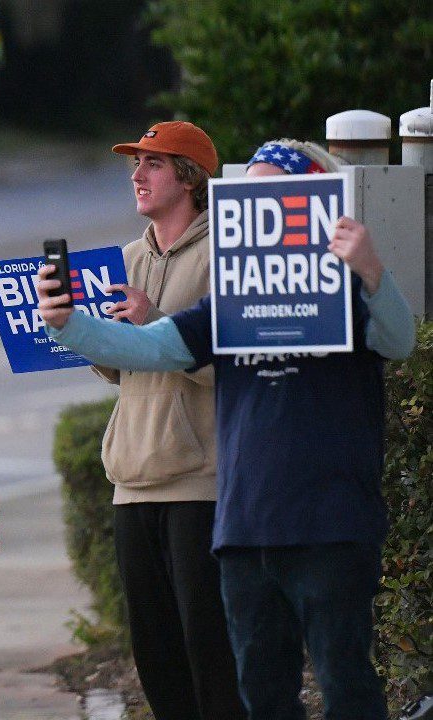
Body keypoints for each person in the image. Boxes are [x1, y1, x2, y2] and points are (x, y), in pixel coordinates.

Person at [36, 139, 416, 719]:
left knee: (346, 688)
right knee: (261, 695)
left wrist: (370, 270)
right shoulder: (232, 302)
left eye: (273, 191)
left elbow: (398, 340)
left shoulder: (346, 293)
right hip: (243, 530)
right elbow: (149, 347)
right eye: (249, 192)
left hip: (331, 525)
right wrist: (66, 326)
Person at [94, 121, 244, 720]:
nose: (137, 175)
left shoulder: (224, 254)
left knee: (209, 647)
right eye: (136, 163)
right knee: (154, 653)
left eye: (153, 164)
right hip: (131, 479)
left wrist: (155, 319)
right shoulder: (127, 258)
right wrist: (86, 337)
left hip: (199, 480)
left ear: (189, 178)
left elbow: (233, 367)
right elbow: (120, 373)